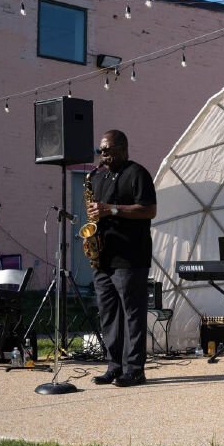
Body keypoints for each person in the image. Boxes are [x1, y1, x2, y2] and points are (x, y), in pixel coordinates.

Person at [88, 129, 157, 387]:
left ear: (122, 148)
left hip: (130, 257)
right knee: (108, 315)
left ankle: (135, 370)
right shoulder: (98, 177)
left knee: (132, 315)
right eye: (100, 151)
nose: (102, 155)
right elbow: (97, 213)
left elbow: (149, 209)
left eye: (106, 150)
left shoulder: (137, 173)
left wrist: (111, 209)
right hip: (104, 257)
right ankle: (114, 367)